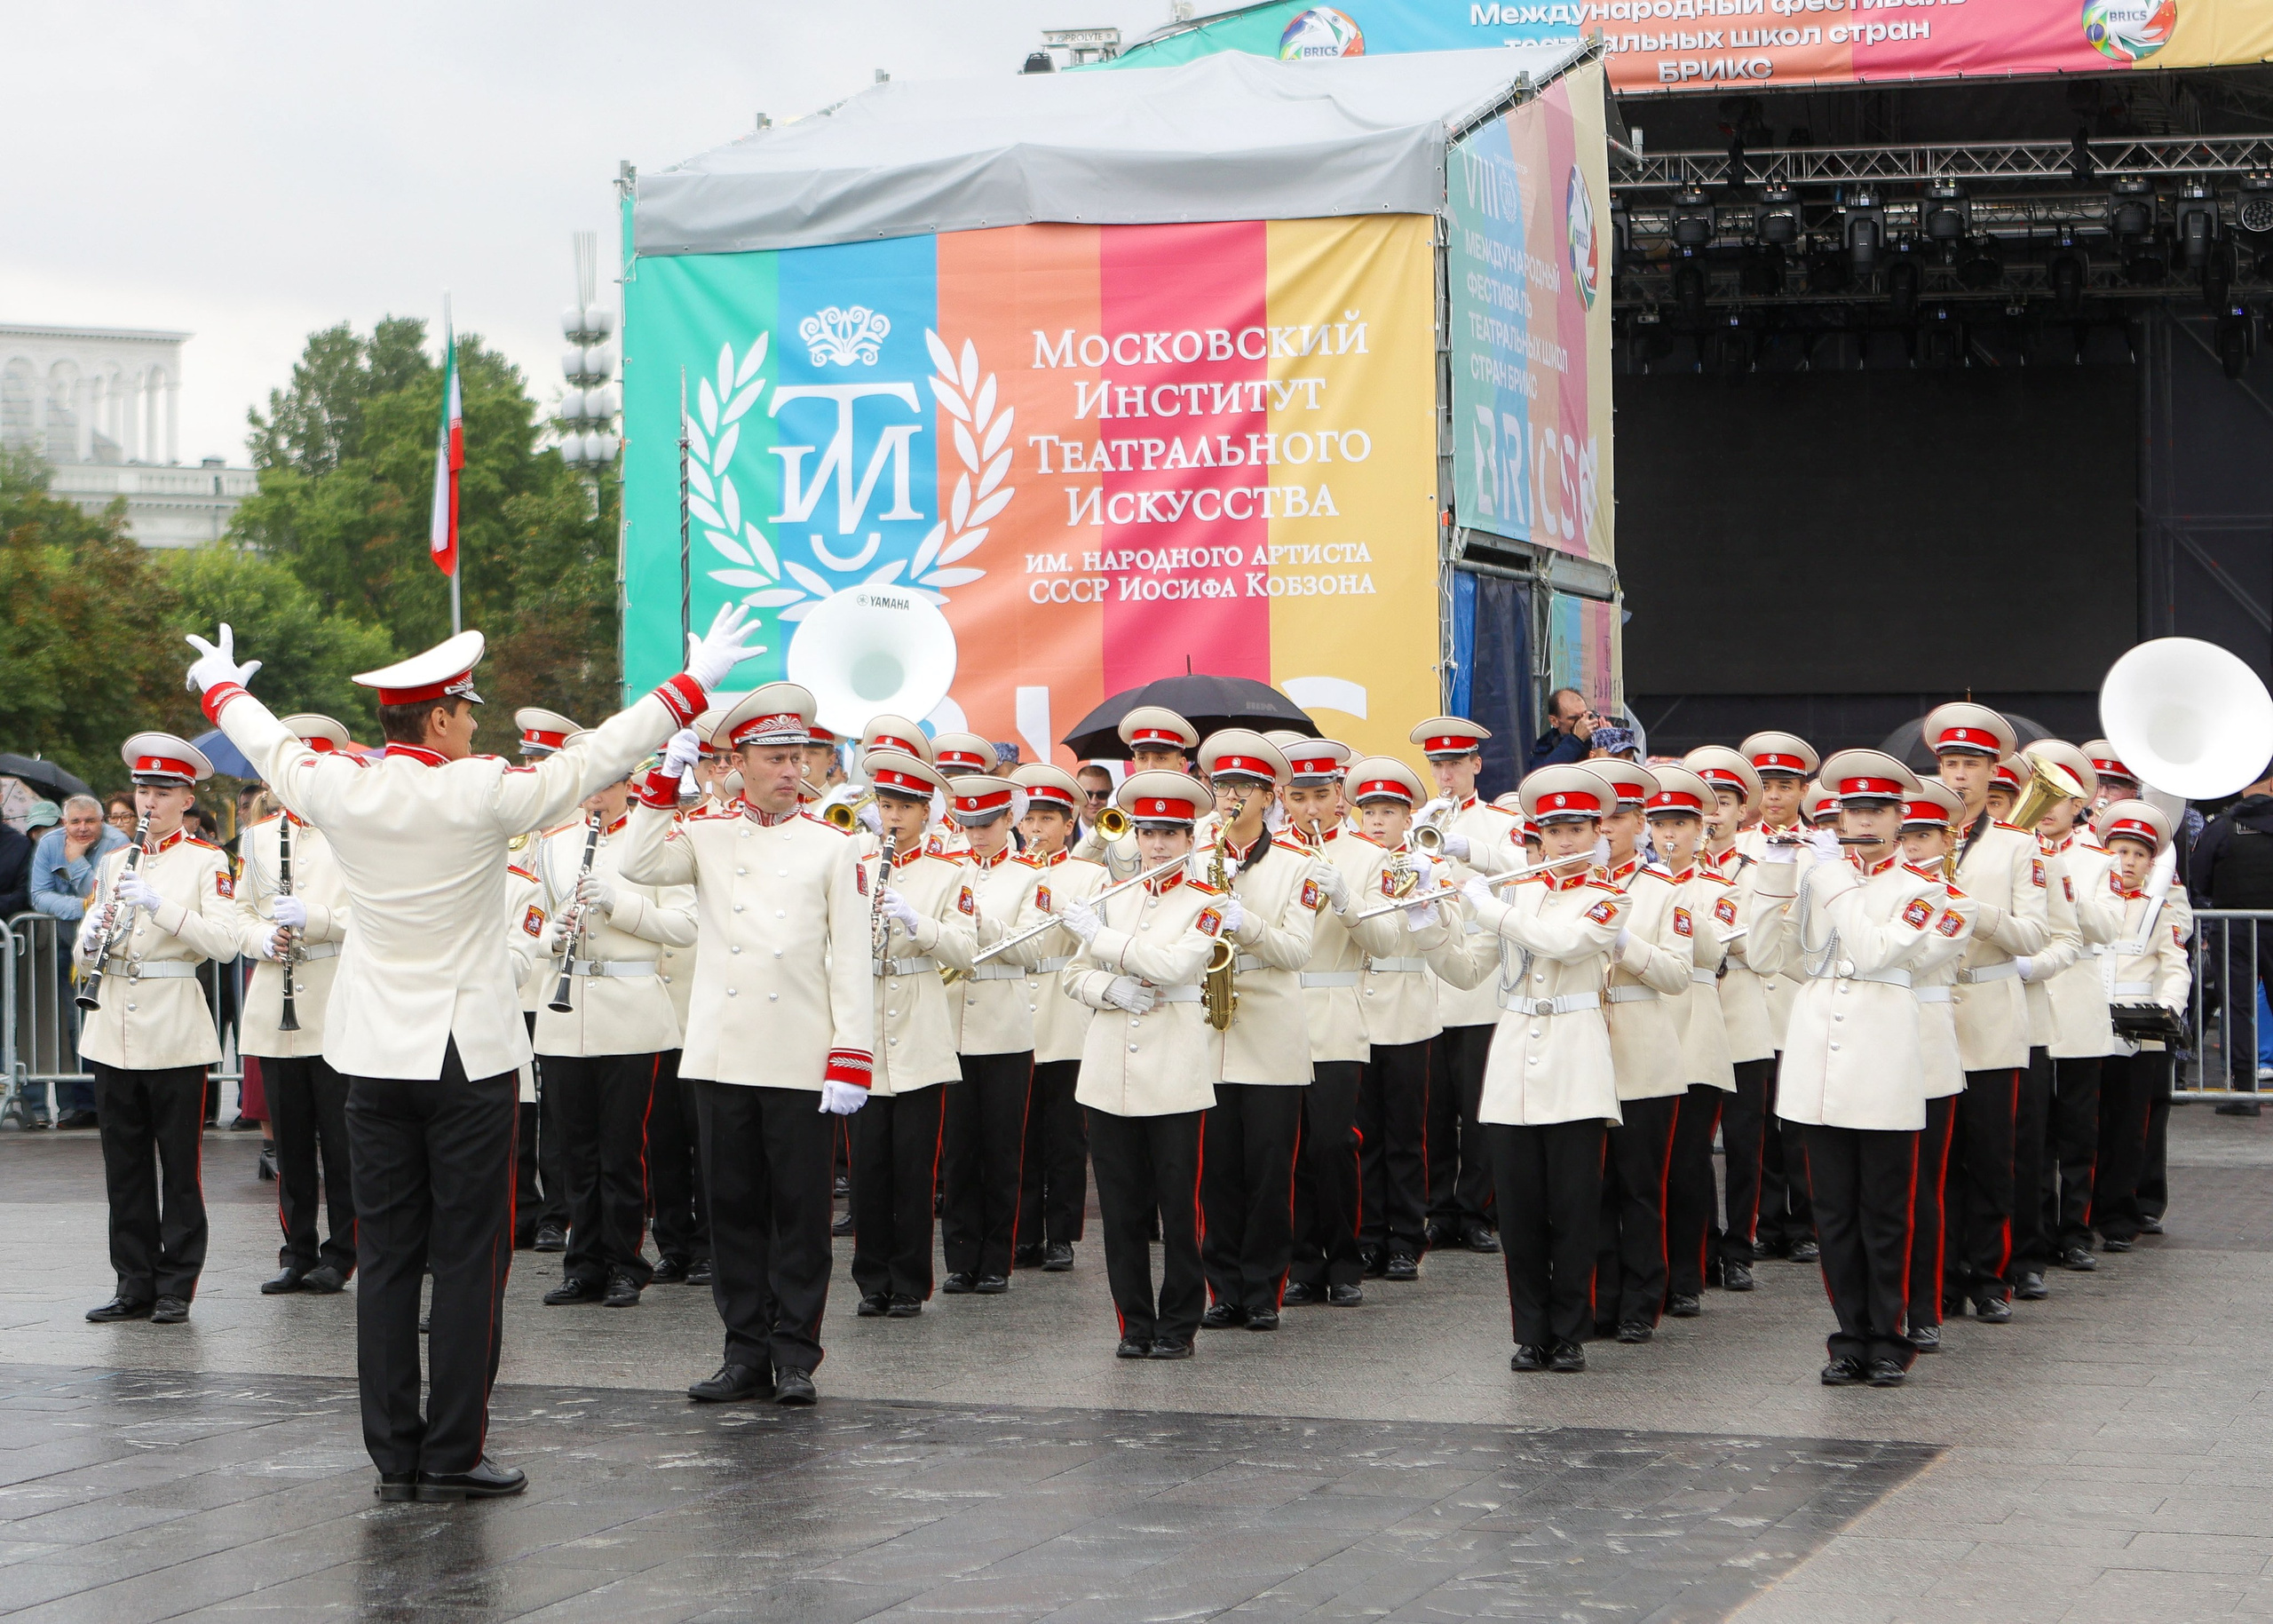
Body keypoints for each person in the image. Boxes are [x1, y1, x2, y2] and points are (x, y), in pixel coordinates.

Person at [191, 607, 753, 1501]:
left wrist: (221, 683)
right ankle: (452, 1448)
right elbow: (598, 755)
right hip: (469, 1055)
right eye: (466, 708)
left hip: (373, 1052)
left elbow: (266, 744)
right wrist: (690, 686)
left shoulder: (341, 786)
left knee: (384, 1257)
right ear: (441, 718)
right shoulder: (482, 788)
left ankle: (394, 1454)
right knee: (466, 1256)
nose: (476, 721)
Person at [618, 679, 871, 1411]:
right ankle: (743, 1351)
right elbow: (635, 861)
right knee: (729, 1209)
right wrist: (668, 771)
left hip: (799, 1053)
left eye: (802, 756)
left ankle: (795, 1352)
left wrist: (849, 1054)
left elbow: (849, 957)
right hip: (724, 1052)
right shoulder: (707, 828)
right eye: (778, 756)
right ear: (741, 759)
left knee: (799, 1212)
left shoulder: (834, 842)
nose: (794, 770)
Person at [1750, 749, 1942, 1388]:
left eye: (1876, 811)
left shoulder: (1921, 890)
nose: (1863, 822)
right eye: (1852, 811)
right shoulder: (1818, 877)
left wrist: (1830, 878)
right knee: (1832, 1214)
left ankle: (1889, 1336)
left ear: (1899, 817)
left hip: (1882, 1061)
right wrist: (1779, 875)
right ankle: (1848, 1337)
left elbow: (1875, 948)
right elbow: (1770, 956)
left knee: (1884, 1213)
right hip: (1817, 1065)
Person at [1464, 764, 1628, 1374]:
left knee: (1574, 1207)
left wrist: (1491, 909)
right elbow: (1466, 969)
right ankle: (1530, 1331)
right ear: (1537, 834)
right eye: (1554, 829)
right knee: (1521, 1211)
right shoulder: (1517, 889)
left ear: (1596, 832)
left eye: (1577, 828)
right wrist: (1428, 930)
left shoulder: (1610, 895)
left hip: (1575, 1060)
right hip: (1513, 1059)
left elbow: (1562, 943)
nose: (1565, 841)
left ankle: (1570, 1332)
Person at [1057, 769, 1223, 1359]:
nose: (1157, 845)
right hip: (1107, 1071)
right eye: (1148, 831)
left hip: (1175, 1071)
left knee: (1179, 1209)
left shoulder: (1209, 901)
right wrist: (1109, 991)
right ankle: (1133, 1321)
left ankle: (1179, 1321)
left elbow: (1176, 965)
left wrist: (1104, 944)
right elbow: (1073, 975)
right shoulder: (1113, 895)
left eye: (1170, 833)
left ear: (1191, 838)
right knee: (1123, 1210)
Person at [74, 733, 235, 1328]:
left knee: (179, 1166)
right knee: (125, 1164)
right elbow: (90, 944)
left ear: (186, 797)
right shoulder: (114, 860)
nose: (148, 802)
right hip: (112, 1024)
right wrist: (89, 934)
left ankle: (176, 1283)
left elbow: (221, 942)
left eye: (161, 792)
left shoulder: (207, 861)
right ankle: (132, 1280)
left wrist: (159, 904)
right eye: (143, 789)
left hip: (174, 1027)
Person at [531, 757, 697, 1311]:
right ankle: (584, 1265)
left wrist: (618, 904)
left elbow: (684, 927)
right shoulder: (554, 844)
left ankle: (627, 1263)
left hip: (631, 1011)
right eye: (587, 788)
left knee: (623, 1151)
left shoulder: (660, 843)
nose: (594, 799)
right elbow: (530, 919)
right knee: (575, 1150)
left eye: (606, 786)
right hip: (565, 1009)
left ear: (629, 786)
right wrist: (551, 935)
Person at [1925, 702, 2050, 1325]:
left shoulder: (2017, 846)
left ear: (1993, 770)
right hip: (1931, 1013)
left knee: (1993, 1155)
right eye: (1949, 762)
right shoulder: (1917, 840)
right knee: (1937, 1158)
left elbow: (2034, 933)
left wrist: (1976, 913)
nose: (1958, 776)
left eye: (1970, 764)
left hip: (1992, 1011)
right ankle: (1943, 1277)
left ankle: (1990, 1277)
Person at [1191, 732, 1318, 1329]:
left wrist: (1248, 924)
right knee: (1215, 1172)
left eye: (1244, 787)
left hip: (1270, 1034)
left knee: (1269, 1171)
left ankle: (1264, 1289)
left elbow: (1296, 950)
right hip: (1209, 1034)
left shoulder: (1300, 866)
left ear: (1271, 796)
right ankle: (1224, 1289)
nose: (1231, 797)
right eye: (1222, 786)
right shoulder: (1193, 860)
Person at [847, 751, 976, 1315]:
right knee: (868, 1168)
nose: (892, 817)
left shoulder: (951, 874)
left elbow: (966, 950)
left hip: (920, 1026)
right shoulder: (853, 862)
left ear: (926, 814)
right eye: (885, 805)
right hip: (864, 1025)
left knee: (914, 1169)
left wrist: (914, 920)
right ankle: (871, 1280)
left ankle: (910, 1283)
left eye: (904, 807)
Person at [234, 716, 359, 1296]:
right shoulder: (259, 837)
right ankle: (297, 1249)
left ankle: (344, 1251)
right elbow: (238, 911)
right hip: (276, 1005)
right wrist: (258, 937)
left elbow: (374, 917)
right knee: (289, 1144)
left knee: (343, 1143)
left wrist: (320, 921)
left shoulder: (355, 832)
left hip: (336, 996)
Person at [1342, 757, 1464, 1285]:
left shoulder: (1428, 865)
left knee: (1407, 1135)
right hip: (1358, 1010)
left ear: (1408, 817)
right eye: (1369, 811)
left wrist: (1424, 895)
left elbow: (1450, 932)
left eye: (1388, 811)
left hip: (1409, 1011)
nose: (1376, 822)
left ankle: (1407, 1237)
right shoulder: (1348, 864)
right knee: (1361, 1133)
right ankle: (1368, 1235)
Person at [1584, 759, 1694, 1344]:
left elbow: (1678, 973)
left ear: (1641, 822)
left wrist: (1624, 943)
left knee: (1640, 1185)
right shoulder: (1567, 887)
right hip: (1583, 1047)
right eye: (1594, 819)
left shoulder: (1663, 891)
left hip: (1644, 1049)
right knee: (1593, 1186)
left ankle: (1642, 1298)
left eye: (1618, 818)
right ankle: (1599, 1297)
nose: (1605, 830)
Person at [1410, 716, 1524, 1255]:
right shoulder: (1414, 820)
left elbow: (1523, 869)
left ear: (1476, 765)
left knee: (1479, 1107)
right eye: (1438, 765)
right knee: (1433, 1110)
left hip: (1478, 980)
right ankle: (1437, 1207)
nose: (1447, 773)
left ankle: (1477, 1208)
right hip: (1429, 981)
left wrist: (1465, 849)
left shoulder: (1501, 821)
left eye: (1455, 763)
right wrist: (1419, 839)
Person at [941, 770, 1041, 1295]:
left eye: (987, 823)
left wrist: (979, 921)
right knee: (957, 1150)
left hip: (1003, 1023)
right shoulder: (947, 870)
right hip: (950, 1023)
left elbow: (1032, 949)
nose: (976, 834)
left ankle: (997, 1258)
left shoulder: (1029, 876)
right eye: (967, 823)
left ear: (1009, 820)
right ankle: (959, 1257)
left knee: (1002, 1147)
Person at [1281, 739, 1373, 1307]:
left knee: (1333, 1143)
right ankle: (1300, 1263)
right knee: (1289, 1147)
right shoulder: (1268, 857)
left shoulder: (1367, 855)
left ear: (1340, 795)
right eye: (1298, 798)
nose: (1310, 809)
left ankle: (1344, 1260)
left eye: (1320, 795)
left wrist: (1346, 899)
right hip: (1279, 1014)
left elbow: (1384, 940)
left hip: (1338, 1011)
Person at [1007, 764, 1107, 1270]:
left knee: (1066, 1133)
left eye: (1049, 820)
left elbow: (1090, 932)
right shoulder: (1008, 869)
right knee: (1021, 1132)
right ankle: (1023, 1231)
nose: (1038, 829)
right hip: (1015, 1005)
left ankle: (1062, 1233)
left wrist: (1049, 890)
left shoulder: (1088, 873)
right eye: (1031, 820)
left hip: (1064, 1006)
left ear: (1070, 825)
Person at [1649, 764, 1735, 1321]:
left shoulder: (1721, 889)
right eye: (1660, 824)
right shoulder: (1635, 883)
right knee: (1643, 1163)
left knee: (1687, 1160)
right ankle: (1647, 1270)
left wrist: (1676, 897)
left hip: (1696, 1024)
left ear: (1702, 830)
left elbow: (1716, 952)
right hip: (1645, 1025)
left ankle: (1688, 1272)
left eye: (1682, 823)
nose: (1670, 834)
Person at [1686, 746, 1771, 1292]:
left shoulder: (1759, 871)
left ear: (1743, 812)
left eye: (1724, 802)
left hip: (1741, 1016)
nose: (1714, 814)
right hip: (1693, 1019)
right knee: (1692, 1148)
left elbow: (1763, 947)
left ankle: (1739, 1246)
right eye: (1705, 804)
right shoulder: (1671, 874)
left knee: (1745, 1146)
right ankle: (1698, 1251)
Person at [1897, 777, 1973, 1355]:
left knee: (1924, 1187)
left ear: (1947, 841)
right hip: (1876, 1048)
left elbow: (1916, 956)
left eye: (1924, 836)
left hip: (1925, 1045)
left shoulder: (1957, 903)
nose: (1912, 848)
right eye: (1906, 836)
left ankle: (1925, 1305)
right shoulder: (1870, 890)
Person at [1737, 731, 1820, 1264]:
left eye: (1786, 785)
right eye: (1766, 785)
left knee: (1800, 1121)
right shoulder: (1740, 848)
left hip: (1796, 994)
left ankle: (1806, 1221)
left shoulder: (1820, 849)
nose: (1774, 796)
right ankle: (1766, 1222)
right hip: (1751, 991)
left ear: (1802, 790)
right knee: (1756, 1122)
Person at [2095, 801, 2192, 1250]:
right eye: (2120, 851)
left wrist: (2166, 1008)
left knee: (2130, 1126)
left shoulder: (2159, 908)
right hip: (2090, 1027)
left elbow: (2176, 966)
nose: (2128, 862)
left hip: (2141, 1031)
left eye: (2138, 854)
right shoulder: (2089, 902)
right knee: (2085, 1125)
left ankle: (2120, 1215)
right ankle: (2082, 1212)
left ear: (2151, 862)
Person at [511, 709, 586, 1253]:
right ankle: (520, 1207)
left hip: (555, 984)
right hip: (515, 983)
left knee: (557, 1112)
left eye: (543, 761)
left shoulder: (583, 833)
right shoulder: (514, 831)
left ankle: (557, 1213)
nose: (532, 769)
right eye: (529, 760)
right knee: (517, 1106)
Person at [29, 794, 127, 1127]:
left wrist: (77, 862)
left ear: (103, 821)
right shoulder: (48, 844)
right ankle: (80, 1105)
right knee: (69, 1027)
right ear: (63, 823)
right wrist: (82, 908)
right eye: (75, 822)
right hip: (62, 946)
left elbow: (109, 895)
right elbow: (38, 895)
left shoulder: (119, 843)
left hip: (107, 949)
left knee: (104, 1024)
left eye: (90, 821)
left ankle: (110, 1104)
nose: (82, 828)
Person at [2187, 759, 2273, 1117]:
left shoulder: (2221, 827)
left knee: (2237, 1006)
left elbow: (2199, 880)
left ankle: (2243, 1090)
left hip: (2234, 925)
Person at [1075, 708, 1200, 883]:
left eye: (1161, 758)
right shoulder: (1120, 808)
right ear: (1133, 763)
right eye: (1142, 758)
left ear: (1181, 764)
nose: (1149, 767)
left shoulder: (1203, 814)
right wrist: (1106, 828)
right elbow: (1079, 868)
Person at [1526, 687, 1597, 773]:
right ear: (1554, 721)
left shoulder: (1595, 737)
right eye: (1574, 718)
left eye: (1584, 715)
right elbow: (1542, 776)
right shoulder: (1545, 746)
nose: (1582, 722)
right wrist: (1576, 740)